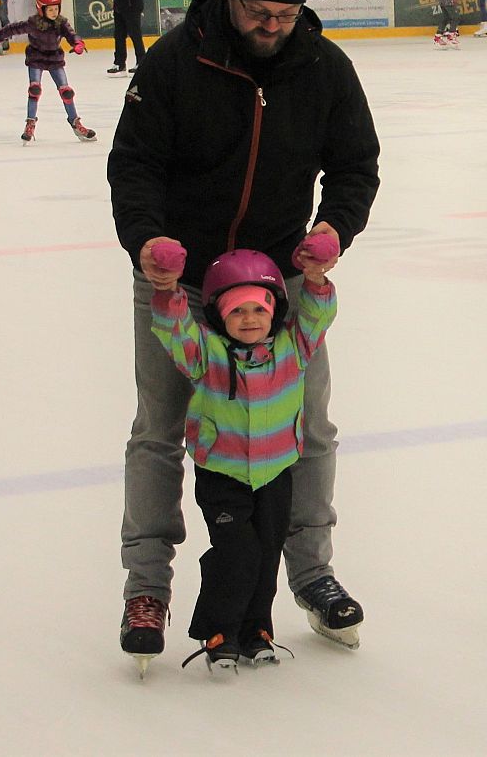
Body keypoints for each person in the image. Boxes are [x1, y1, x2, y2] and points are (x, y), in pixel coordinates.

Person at [107, 0, 381, 669]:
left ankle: (312, 571)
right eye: (259, 12)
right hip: (180, 280)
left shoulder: (325, 68)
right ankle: (146, 587)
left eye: (285, 15)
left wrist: (334, 228)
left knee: (309, 425)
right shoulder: (176, 62)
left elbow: (356, 166)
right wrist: (147, 242)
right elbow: (133, 163)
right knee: (159, 430)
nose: (272, 26)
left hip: (277, 286)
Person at [151, 244, 338, 674]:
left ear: (274, 311)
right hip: (223, 473)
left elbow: (317, 315)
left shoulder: (293, 348)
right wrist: (167, 289)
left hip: (275, 473)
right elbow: (175, 330)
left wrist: (315, 281)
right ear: (219, 315)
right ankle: (219, 632)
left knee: (267, 552)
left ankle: (257, 630)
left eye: (258, 309)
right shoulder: (208, 354)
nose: (249, 319)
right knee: (237, 551)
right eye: (237, 311)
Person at [0, 0, 95, 143]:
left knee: (66, 92)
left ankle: (76, 123)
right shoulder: (33, 24)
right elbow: (12, 29)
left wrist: (78, 43)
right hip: (36, 58)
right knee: (34, 90)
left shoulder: (61, 23)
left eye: (56, 9)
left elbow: (71, 34)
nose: (54, 12)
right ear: (41, 9)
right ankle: (30, 123)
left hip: (55, 59)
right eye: (50, 9)